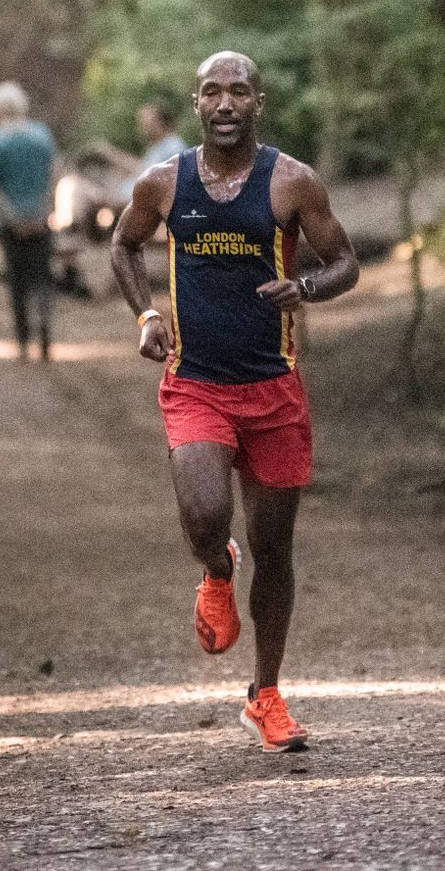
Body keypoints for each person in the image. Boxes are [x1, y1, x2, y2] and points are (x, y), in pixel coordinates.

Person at [109, 51, 357, 754]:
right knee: (204, 514)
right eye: (212, 92)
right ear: (196, 104)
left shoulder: (292, 182)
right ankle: (217, 569)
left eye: (239, 92)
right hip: (196, 383)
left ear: (258, 102)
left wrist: (305, 289)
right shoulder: (164, 183)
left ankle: (265, 696)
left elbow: (345, 262)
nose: (225, 104)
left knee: (275, 550)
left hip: (273, 388)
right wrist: (146, 316)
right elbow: (123, 246)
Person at [0, 81, 59, 360]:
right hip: (40, 218)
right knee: (42, 276)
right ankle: (45, 330)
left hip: (9, 222)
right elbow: (53, 175)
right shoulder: (41, 135)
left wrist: (11, 216)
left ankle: (23, 339)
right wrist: (45, 211)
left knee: (16, 278)